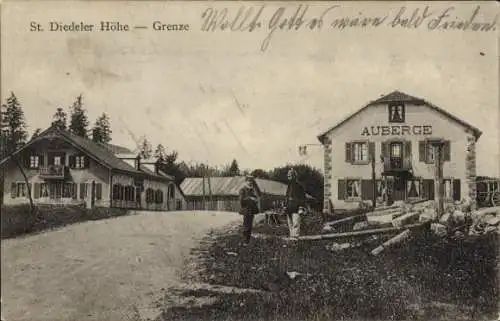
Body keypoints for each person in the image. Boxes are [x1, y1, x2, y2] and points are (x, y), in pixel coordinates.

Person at [238, 175, 261, 245]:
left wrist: (255, 200)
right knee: (246, 225)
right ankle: (244, 241)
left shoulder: (252, 190)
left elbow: (257, 196)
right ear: (245, 181)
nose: (250, 182)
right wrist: (250, 198)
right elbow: (242, 201)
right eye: (249, 181)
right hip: (246, 209)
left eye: (251, 181)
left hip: (251, 210)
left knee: (250, 226)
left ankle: (247, 241)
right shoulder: (242, 190)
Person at [285, 169, 307, 239]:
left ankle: (295, 238)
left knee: (296, 223)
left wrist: (301, 207)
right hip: (289, 207)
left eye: (290, 176)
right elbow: (287, 196)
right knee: (290, 224)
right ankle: (291, 237)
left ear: (294, 176)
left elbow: (303, 198)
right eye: (288, 176)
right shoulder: (289, 186)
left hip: (296, 207)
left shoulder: (299, 186)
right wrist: (285, 205)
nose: (289, 178)